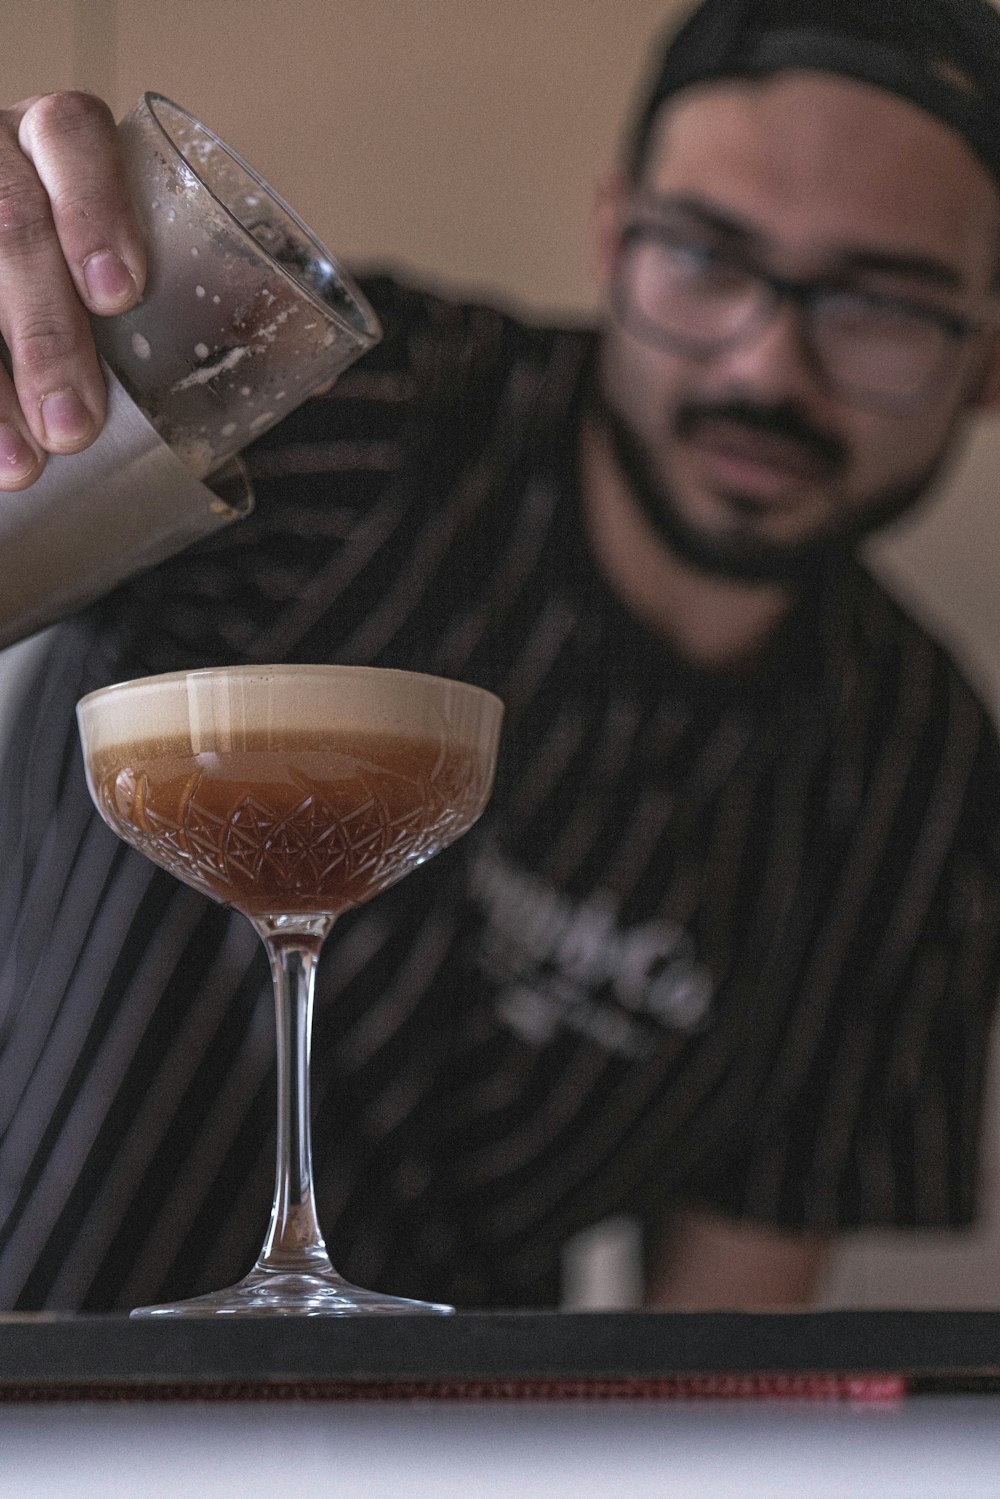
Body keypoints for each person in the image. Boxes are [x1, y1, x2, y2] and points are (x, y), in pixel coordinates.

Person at [0, 0, 999, 1313]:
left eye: (879, 306)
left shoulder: (917, 773)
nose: (769, 362)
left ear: (986, 359)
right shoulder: (346, 414)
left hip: (455, 1449)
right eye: (707, 257)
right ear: (614, 236)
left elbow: (722, 1350)